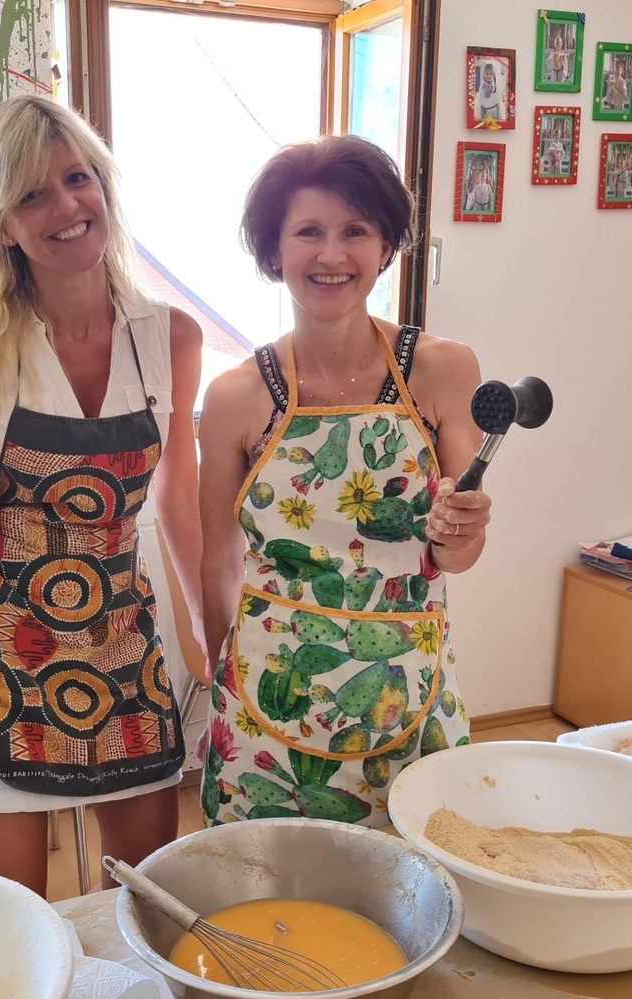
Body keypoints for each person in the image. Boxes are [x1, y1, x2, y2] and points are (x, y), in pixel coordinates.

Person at [0, 95, 204, 894]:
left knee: (142, 898)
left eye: (78, 179)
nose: (67, 207)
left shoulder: (170, 336)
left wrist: (207, 633)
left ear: (104, 186)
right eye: (32, 194)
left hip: (119, 634)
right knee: (16, 910)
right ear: (3, 226)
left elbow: (179, 501)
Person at [197, 135, 491, 828]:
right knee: (263, 877)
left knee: (414, 871)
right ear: (274, 252)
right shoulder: (236, 396)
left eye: (355, 231)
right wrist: (223, 680)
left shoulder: (442, 370)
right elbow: (219, 557)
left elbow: (458, 554)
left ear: (386, 247)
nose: (331, 255)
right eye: (308, 232)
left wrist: (462, 533)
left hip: (406, 684)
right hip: (269, 689)